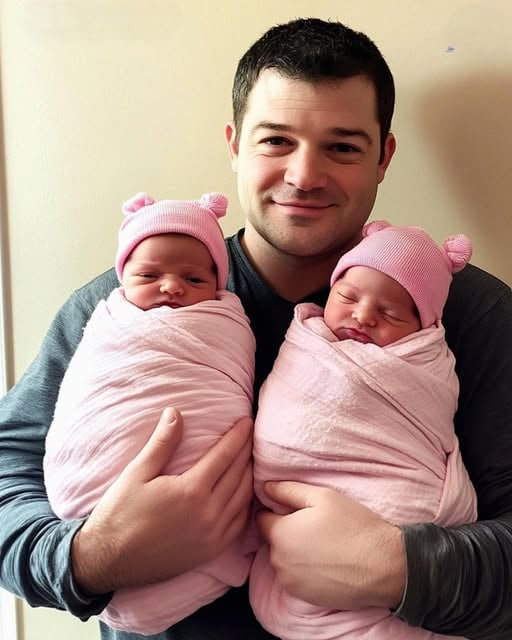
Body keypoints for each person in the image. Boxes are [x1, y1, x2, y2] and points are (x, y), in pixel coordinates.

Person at [0, 16, 511, 640]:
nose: (304, 175)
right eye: (275, 141)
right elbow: (8, 473)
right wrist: (91, 555)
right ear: (235, 144)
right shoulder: (128, 306)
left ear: (384, 157)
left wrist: (399, 568)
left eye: (343, 147)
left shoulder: (467, 312)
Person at [42, 191, 256, 634]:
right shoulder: (101, 314)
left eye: (193, 279)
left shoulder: (392, 306)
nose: (172, 287)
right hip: (97, 497)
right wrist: (90, 556)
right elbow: (10, 462)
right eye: (149, 275)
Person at [251, 221, 476, 639]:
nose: (363, 315)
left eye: (390, 313)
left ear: (424, 327)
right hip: (296, 521)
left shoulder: (427, 359)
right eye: (348, 297)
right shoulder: (307, 341)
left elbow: (427, 418)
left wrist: (394, 559)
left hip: (397, 504)